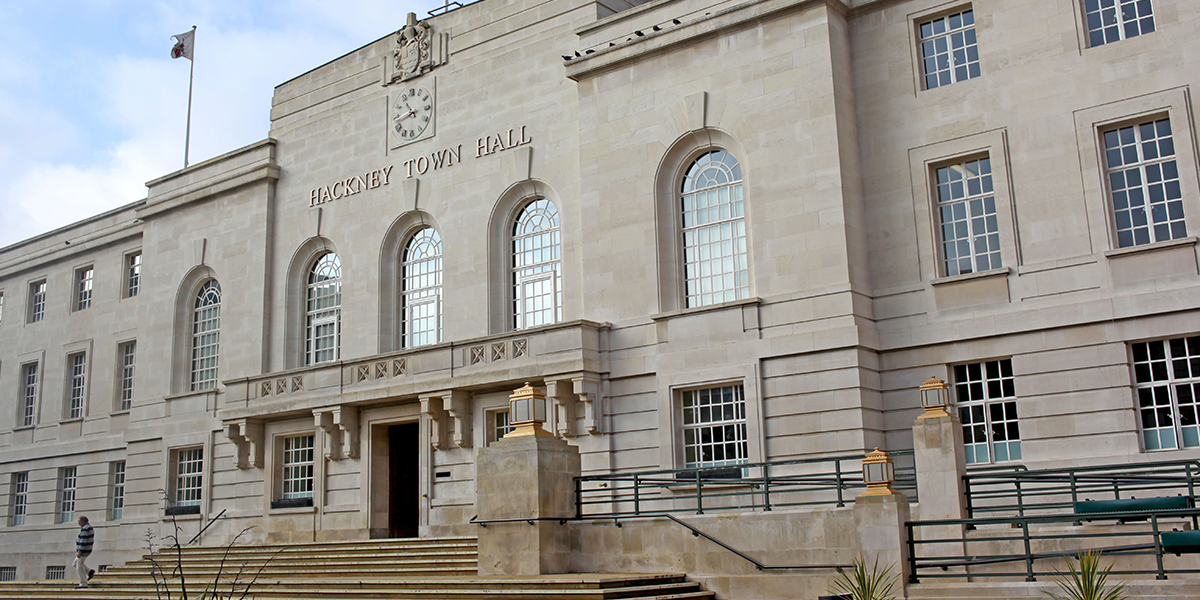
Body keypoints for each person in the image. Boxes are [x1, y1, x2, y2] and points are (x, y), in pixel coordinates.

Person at [72, 516, 94, 589]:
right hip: (86, 550)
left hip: (83, 551)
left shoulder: (85, 529)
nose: (78, 523)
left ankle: (83, 583)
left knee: (79, 567)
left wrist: (80, 551)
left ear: (82, 522)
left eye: (79, 522)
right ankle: (89, 571)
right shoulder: (88, 528)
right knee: (75, 563)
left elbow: (83, 541)